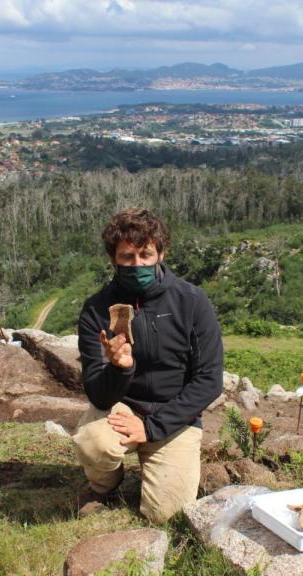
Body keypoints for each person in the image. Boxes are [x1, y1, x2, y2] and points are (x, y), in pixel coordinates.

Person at [73, 208, 224, 524]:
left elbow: (209, 379)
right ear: (113, 259)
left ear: (161, 254)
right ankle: (104, 485)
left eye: (145, 255)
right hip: (122, 410)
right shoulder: (96, 309)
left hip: (175, 417)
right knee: (93, 442)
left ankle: (155, 464)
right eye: (127, 257)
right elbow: (99, 396)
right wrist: (119, 367)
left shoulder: (191, 301)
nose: (137, 264)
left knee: (166, 515)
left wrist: (152, 428)